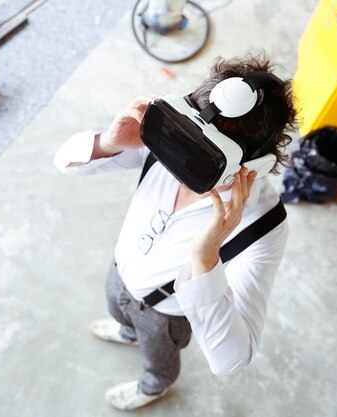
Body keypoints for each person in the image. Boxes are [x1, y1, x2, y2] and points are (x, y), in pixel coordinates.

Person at [53, 54, 298, 411]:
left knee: (159, 360)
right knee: (119, 311)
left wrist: (206, 258)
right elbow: (66, 164)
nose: (182, 161)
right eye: (190, 134)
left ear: (255, 163)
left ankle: (153, 387)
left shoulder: (263, 225)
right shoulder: (168, 141)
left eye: (206, 155)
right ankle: (126, 332)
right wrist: (108, 142)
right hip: (120, 272)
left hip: (165, 315)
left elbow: (232, 359)